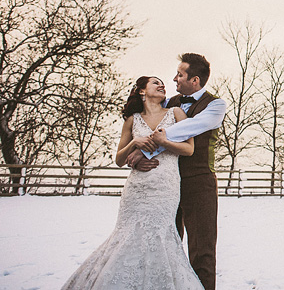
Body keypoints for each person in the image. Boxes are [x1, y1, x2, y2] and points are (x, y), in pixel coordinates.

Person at [62, 76, 204, 290]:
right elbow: (119, 159)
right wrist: (134, 144)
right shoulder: (132, 119)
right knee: (128, 235)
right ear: (141, 91)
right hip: (136, 190)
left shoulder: (175, 113)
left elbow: (189, 149)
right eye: (155, 82)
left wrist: (164, 142)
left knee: (160, 235)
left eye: (162, 83)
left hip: (165, 187)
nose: (161, 85)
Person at [126, 53, 226, 290]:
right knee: (165, 247)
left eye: (180, 75)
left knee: (202, 250)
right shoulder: (169, 103)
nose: (174, 79)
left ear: (195, 80)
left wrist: (146, 149)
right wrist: (138, 156)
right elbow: (146, 121)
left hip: (199, 182)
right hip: (166, 182)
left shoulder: (216, 105)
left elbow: (189, 128)